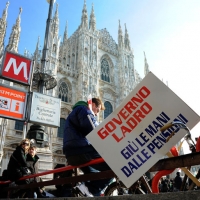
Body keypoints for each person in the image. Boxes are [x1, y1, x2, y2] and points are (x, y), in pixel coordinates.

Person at [63, 97, 112, 196]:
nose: (97, 114)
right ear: (93, 105)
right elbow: (94, 131)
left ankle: (85, 190)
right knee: (113, 167)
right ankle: (89, 189)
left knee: (94, 175)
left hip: (71, 153)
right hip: (81, 150)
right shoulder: (84, 110)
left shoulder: (76, 112)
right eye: (97, 110)